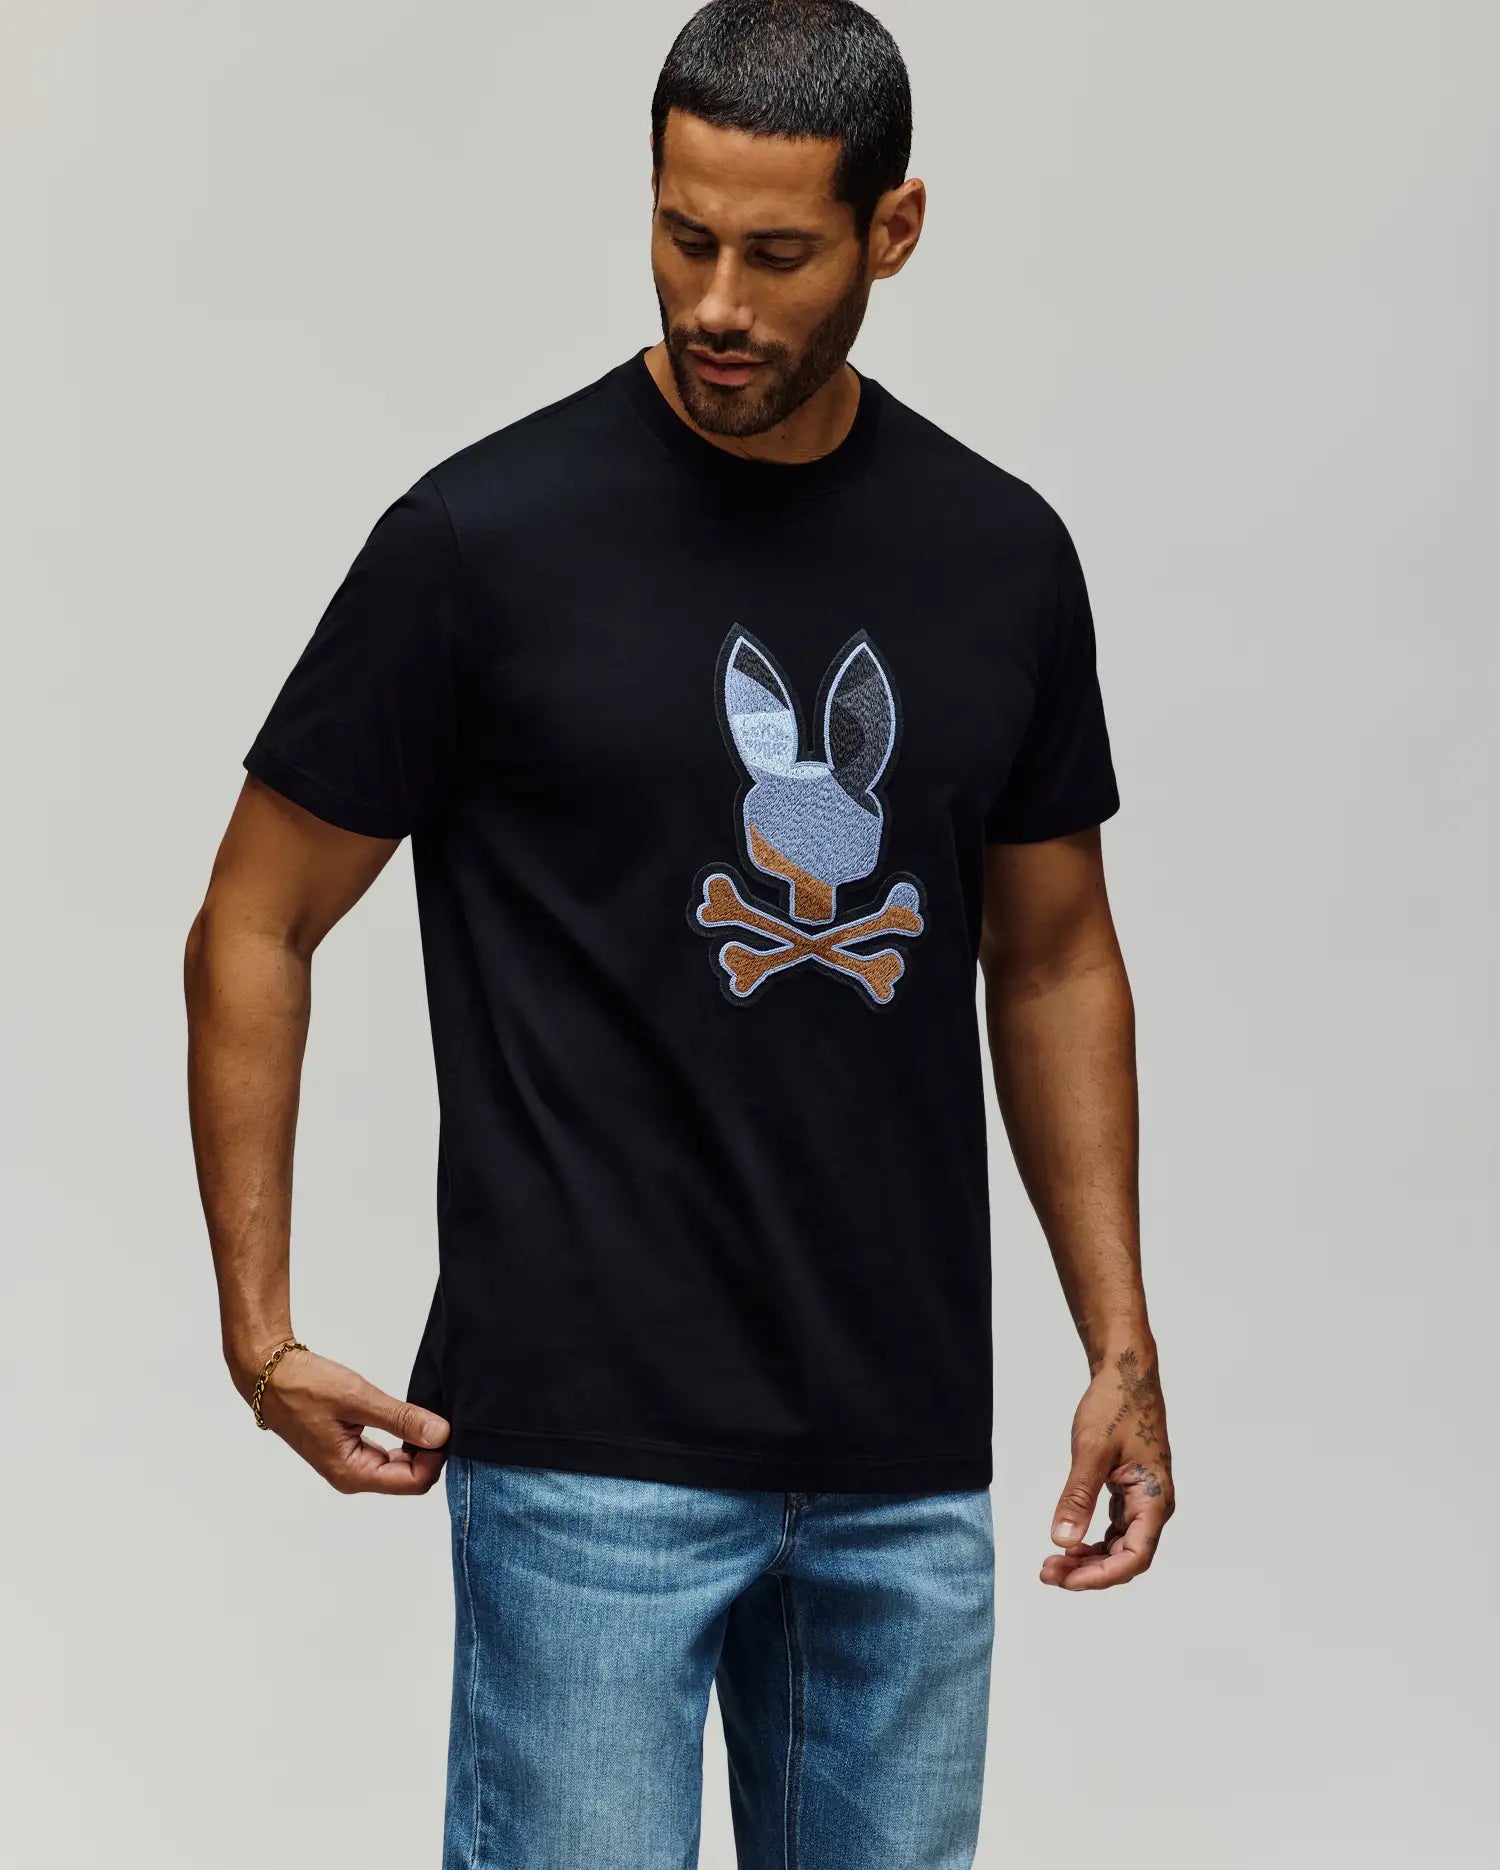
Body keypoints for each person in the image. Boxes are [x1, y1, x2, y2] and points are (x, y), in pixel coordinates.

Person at [184, 2, 1174, 1863]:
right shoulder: (485, 540)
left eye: (777, 254)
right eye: (682, 234)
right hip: (583, 1458)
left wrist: (1118, 1340)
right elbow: (256, 915)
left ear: (893, 229)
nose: (717, 301)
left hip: (899, 1463)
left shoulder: (1001, 556)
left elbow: (1052, 960)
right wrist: (261, 1333)